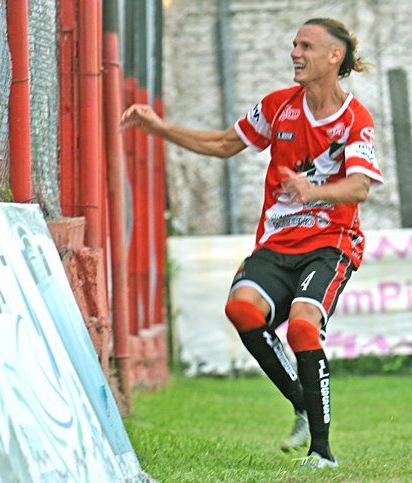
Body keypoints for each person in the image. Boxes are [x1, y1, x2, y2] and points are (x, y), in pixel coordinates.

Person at [121, 18, 382, 469]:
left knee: (302, 327)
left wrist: (313, 190)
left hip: (331, 243)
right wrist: (159, 129)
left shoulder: (355, 119)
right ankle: (302, 404)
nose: (295, 53)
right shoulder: (278, 106)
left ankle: (322, 453)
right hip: (278, 243)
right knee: (241, 309)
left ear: (334, 56)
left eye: (306, 46)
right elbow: (226, 143)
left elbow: (359, 187)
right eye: (294, 45)